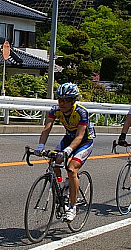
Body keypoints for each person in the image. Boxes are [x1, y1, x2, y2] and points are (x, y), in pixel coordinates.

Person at [34, 82, 95, 222]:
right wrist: (40, 146)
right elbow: (47, 128)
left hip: (84, 141)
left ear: (73, 100)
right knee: (53, 160)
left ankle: (72, 207)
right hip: (68, 138)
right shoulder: (55, 110)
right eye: (60, 99)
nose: (62, 103)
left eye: (66, 100)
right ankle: (61, 185)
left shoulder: (81, 112)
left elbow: (80, 136)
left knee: (71, 169)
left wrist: (67, 151)